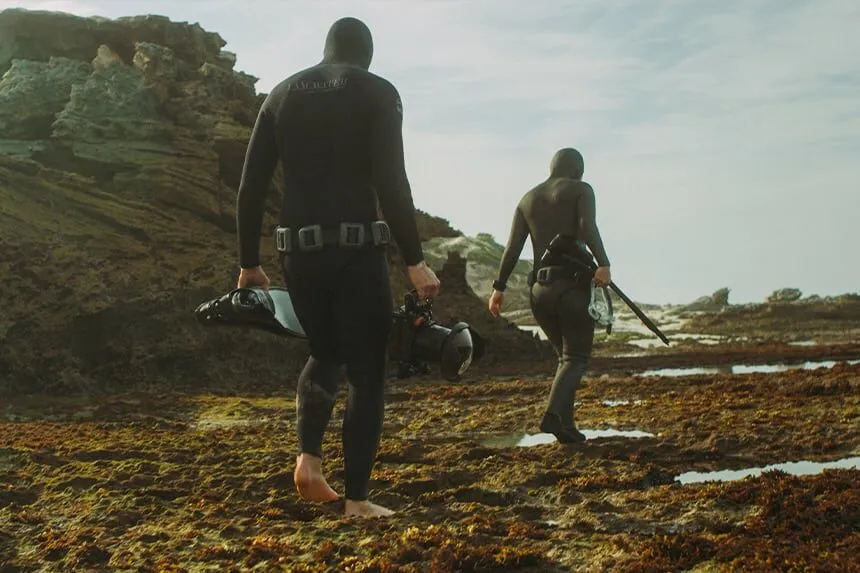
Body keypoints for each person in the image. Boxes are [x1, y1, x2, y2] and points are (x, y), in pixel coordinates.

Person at [234, 17, 440, 518]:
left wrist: (249, 265)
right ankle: (357, 501)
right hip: (356, 250)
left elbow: (251, 187)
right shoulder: (377, 91)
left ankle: (309, 463)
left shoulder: (281, 95)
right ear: (365, 54)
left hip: (297, 253)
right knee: (367, 368)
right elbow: (392, 180)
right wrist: (414, 261)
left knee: (324, 351)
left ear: (327, 49)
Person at [488, 147, 611, 443]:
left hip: (539, 293)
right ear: (578, 170)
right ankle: (553, 414)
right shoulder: (581, 189)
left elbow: (512, 248)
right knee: (576, 356)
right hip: (570, 287)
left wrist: (499, 288)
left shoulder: (527, 199)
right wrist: (604, 263)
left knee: (565, 358)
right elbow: (587, 226)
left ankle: (566, 428)